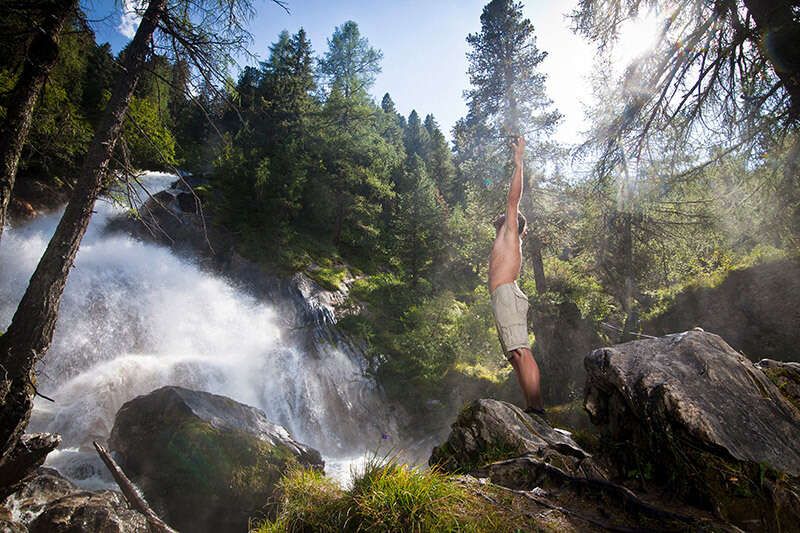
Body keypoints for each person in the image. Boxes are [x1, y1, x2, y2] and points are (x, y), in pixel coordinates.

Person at [488, 135, 545, 416]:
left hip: (507, 294)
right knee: (515, 355)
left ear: (514, 222)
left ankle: (538, 409)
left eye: (507, 215)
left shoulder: (511, 231)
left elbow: (513, 200)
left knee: (521, 350)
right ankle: (532, 408)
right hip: (503, 296)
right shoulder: (503, 238)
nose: (502, 215)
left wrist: (519, 163)